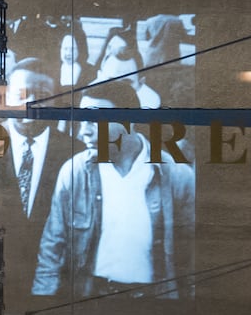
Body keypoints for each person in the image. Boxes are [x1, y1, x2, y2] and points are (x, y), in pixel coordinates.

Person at [32, 81, 194, 301]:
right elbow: (52, 249)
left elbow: (192, 256)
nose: (83, 132)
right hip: (90, 298)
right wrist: (42, 303)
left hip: (155, 302)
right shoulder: (75, 172)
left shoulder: (176, 176)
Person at [0, 58, 79, 309]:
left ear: (57, 100)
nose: (30, 102)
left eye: (42, 95)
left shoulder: (75, 153)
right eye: (21, 93)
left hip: (52, 291)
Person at [94, 24, 162, 109]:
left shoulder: (150, 103)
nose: (117, 91)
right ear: (99, 77)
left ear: (141, 82)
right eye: (110, 81)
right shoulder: (89, 100)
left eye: (125, 83)